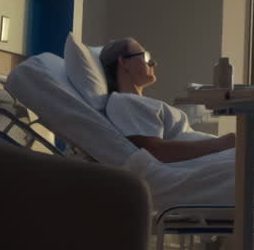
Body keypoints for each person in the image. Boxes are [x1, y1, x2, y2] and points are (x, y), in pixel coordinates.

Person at [99, 37, 236, 163]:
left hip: (217, 157)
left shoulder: (135, 103)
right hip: (209, 161)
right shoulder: (124, 102)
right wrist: (221, 144)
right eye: (145, 57)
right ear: (123, 61)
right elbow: (155, 151)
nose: (153, 63)